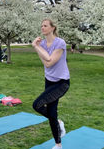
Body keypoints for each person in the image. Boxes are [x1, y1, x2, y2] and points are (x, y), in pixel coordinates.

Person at [32, 19, 70, 149]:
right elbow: (45, 63)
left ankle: (58, 122)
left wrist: (36, 47)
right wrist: (39, 47)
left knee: (37, 105)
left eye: (45, 25)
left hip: (61, 83)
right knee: (52, 112)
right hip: (49, 80)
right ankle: (58, 144)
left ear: (53, 28)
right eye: (41, 25)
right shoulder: (42, 43)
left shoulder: (60, 43)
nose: (42, 28)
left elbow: (49, 60)